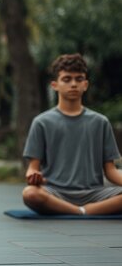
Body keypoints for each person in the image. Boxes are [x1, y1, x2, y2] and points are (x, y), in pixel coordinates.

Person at [23, 53, 122, 215]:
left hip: (94, 192)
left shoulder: (100, 122)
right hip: (55, 192)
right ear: (55, 85)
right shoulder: (41, 122)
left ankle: (79, 210)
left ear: (86, 84)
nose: (74, 84)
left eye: (79, 79)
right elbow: (32, 168)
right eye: (67, 79)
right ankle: (84, 212)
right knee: (30, 194)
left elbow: (110, 171)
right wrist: (33, 175)